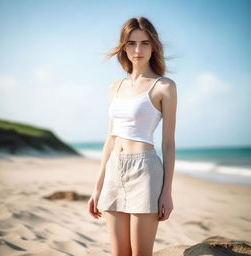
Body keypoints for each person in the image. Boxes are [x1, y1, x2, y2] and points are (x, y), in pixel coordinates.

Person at [87, 16, 177, 256]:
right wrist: (98, 188)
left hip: (145, 172)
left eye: (145, 43)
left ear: (154, 46)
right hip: (115, 170)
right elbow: (111, 138)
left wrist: (166, 192)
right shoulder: (114, 87)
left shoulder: (164, 86)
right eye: (131, 43)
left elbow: (168, 144)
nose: (138, 50)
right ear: (123, 47)